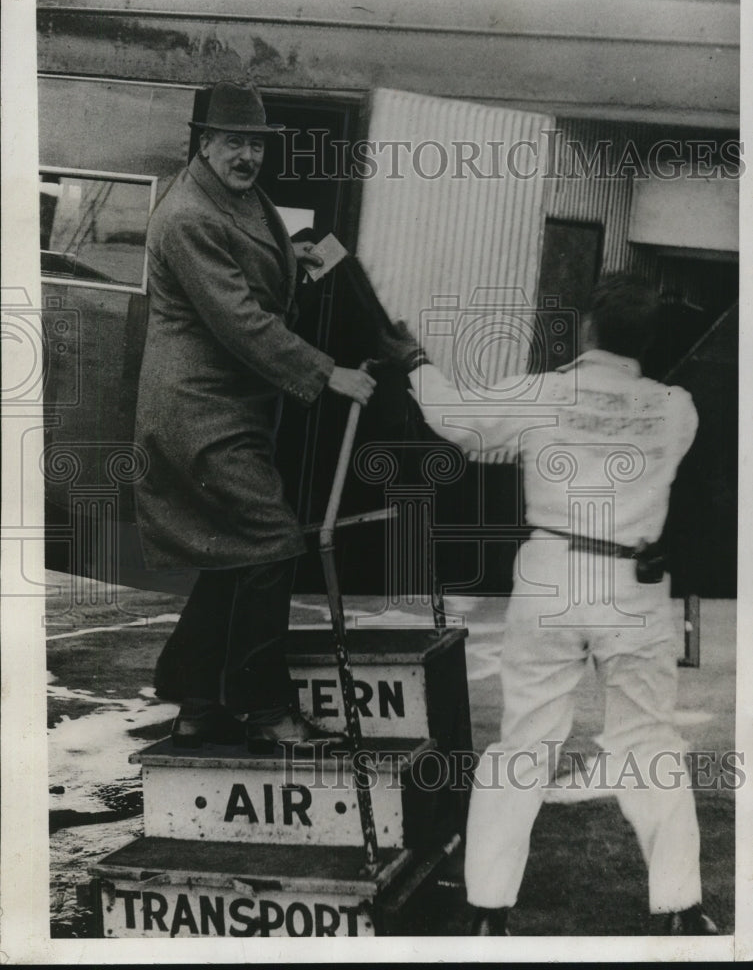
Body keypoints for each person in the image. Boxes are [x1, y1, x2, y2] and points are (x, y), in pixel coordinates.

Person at [378, 274, 718, 935]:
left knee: (524, 743)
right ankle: (681, 909)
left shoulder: (543, 393)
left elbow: (456, 423)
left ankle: (487, 910)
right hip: (631, 581)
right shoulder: (675, 408)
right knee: (647, 740)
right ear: (645, 340)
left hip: (552, 571)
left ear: (588, 326)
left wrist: (415, 362)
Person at [135, 81, 375, 751]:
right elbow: (239, 320)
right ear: (203, 142)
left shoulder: (233, 197)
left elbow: (246, 269)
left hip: (230, 407)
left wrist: (291, 263)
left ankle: (198, 702)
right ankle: (264, 709)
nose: (247, 155)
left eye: (255, 144)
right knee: (269, 542)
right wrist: (330, 373)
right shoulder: (187, 215)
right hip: (198, 412)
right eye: (233, 142)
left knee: (232, 553)